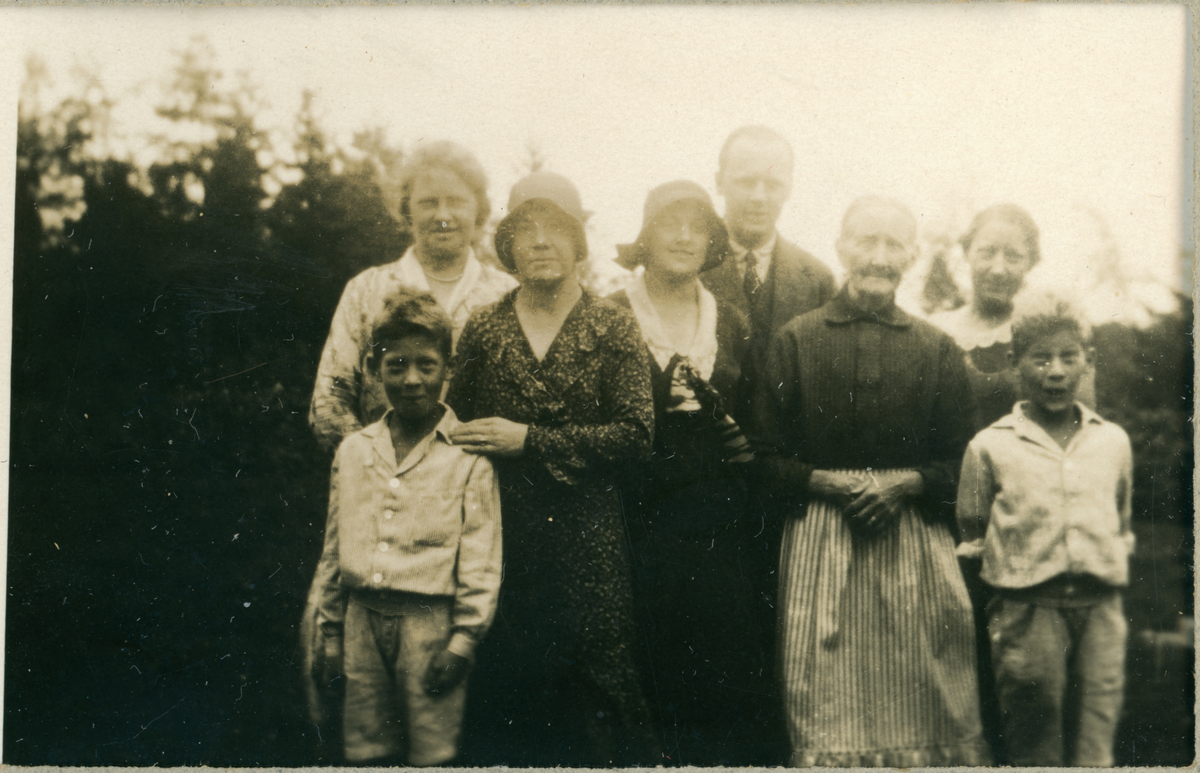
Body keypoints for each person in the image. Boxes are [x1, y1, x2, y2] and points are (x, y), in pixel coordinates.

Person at [753, 195, 989, 766]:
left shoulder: (937, 349)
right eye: (866, 241)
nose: (879, 256)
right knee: (828, 706)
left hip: (913, 548)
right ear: (841, 248)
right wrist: (831, 485)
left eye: (893, 244)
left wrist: (905, 484)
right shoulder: (796, 340)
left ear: (911, 255)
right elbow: (761, 457)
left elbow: (964, 459)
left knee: (927, 696)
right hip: (822, 544)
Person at [446, 172, 659, 766]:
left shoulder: (612, 323)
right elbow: (454, 428)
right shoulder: (485, 327)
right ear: (507, 245)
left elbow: (636, 435)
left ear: (578, 242)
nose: (540, 241)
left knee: (598, 687)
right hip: (504, 535)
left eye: (556, 229)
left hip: (589, 540)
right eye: (525, 230)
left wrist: (531, 440)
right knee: (511, 686)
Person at [608, 180, 769, 765]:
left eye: (696, 226)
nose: (682, 237)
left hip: (719, 526)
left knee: (723, 673)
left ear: (710, 241)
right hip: (637, 522)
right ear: (645, 237)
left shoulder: (732, 321)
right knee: (652, 670)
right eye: (669, 224)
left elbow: (752, 420)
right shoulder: (608, 314)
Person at [305, 290, 502, 765]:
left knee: (432, 749)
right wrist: (331, 637)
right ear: (374, 369)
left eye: (426, 365)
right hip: (360, 622)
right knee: (366, 747)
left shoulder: (469, 458)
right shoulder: (354, 450)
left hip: (430, 625)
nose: (412, 379)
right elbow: (334, 551)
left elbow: (481, 560)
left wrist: (463, 642)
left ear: (448, 368)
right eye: (396, 365)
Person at [956, 291, 1133, 767]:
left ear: (1088, 361)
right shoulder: (990, 446)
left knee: (1096, 734)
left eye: (1068, 357)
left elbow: (1119, 517)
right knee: (1033, 733)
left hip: (1100, 608)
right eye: (1040, 358)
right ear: (1014, 363)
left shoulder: (1112, 442)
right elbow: (973, 531)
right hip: (1026, 610)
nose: (1055, 371)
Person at [309, 140, 517, 453]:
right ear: (407, 211)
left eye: (456, 201)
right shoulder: (366, 289)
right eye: (428, 202)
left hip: (478, 476)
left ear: (478, 210)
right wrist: (374, 461)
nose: (443, 215)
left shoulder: (507, 295)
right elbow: (329, 402)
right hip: (379, 473)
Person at [930, 203, 1095, 431]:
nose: (998, 269)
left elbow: (1080, 429)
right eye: (987, 252)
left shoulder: (1048, 332)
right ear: (967, 253)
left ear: (1030, 262)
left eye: (1013, 256)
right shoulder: (936, 329)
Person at [701, 125, 836, 388]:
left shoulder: (818, 280)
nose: (759, 197)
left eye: (773, 184)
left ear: (789, 188)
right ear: (719, 182)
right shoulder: (690, 268)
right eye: (746, 182)